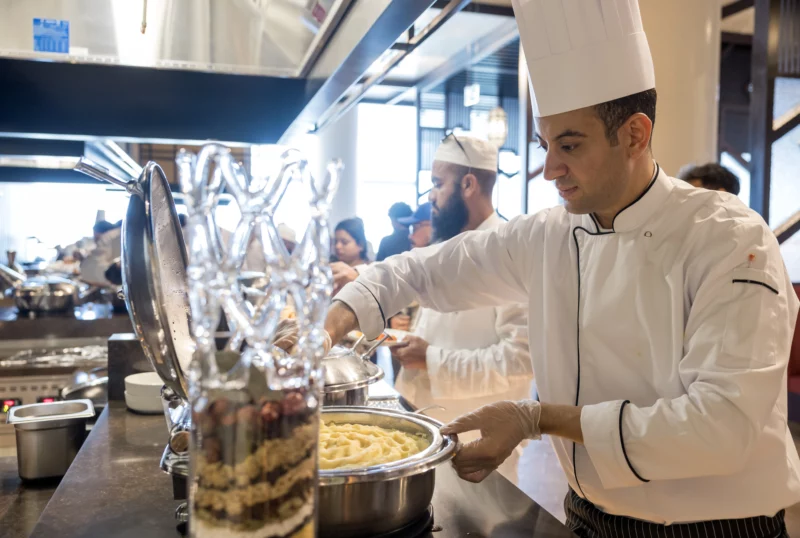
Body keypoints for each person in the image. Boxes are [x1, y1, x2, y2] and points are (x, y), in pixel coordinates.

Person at [321, 0, 799, 535]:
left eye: (569, 145)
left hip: (713, 527)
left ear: (636, 135)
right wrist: (331, 323)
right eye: (546, 144)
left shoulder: (730, 237)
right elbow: (422, 271)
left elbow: (719, 427)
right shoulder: (548, 233)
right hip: (585, 514)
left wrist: (537, 417)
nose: (549, 169)